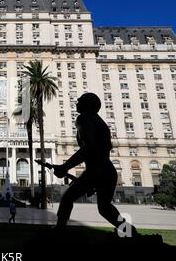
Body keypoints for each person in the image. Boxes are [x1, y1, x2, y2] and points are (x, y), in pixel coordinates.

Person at [52, 93, 138, 237]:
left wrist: (65, 167)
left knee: (68, 197)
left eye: (79, 101)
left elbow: (88, 149)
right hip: (107, 171)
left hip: (97, 170)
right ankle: (130, 232)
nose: (76, 104)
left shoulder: (84, 119)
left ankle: (59, 231)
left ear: (87, 105)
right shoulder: (100, 122)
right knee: (104, 208)